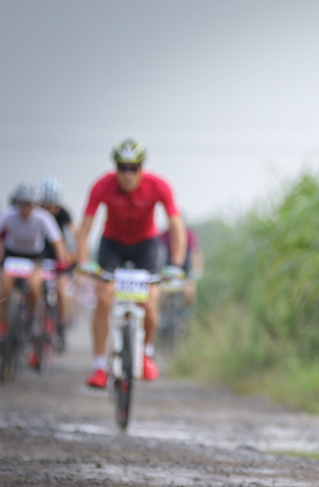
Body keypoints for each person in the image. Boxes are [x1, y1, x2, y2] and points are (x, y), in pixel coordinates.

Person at [77, 139, 186, 388]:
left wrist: (176, 264)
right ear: (115, 168)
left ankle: (146, 353)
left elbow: (177, 227)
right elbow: (84, 230)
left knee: (149, 301)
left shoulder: (158, 186)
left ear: (141, 167)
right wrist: (83, 262)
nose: (127, 174)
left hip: (145, 246)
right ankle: (98, 367)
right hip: (112, 244)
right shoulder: (102, 186)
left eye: (133, 167)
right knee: (104, 296)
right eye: (122, 167)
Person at [0, 182, 69, 367]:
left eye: (29, 204)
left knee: (34, 284)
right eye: (21, 204)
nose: (25, 208)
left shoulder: (43, 218)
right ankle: (4, 321)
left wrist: (62, 260)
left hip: (34, 258)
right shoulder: (8, 215)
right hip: (13, 255)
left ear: (35, 205)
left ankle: (30, 315)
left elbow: (57, 241)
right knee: (4, 284)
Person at [38, 177, 76, 345]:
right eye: (46, 205)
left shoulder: (64, 214)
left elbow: (72, 237)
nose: (50, 209)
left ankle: (61, 325)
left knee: (61, 290)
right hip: (39, 256)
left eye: (54, 205)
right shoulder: (35, 214)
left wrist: (71, 257)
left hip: (58, 257)